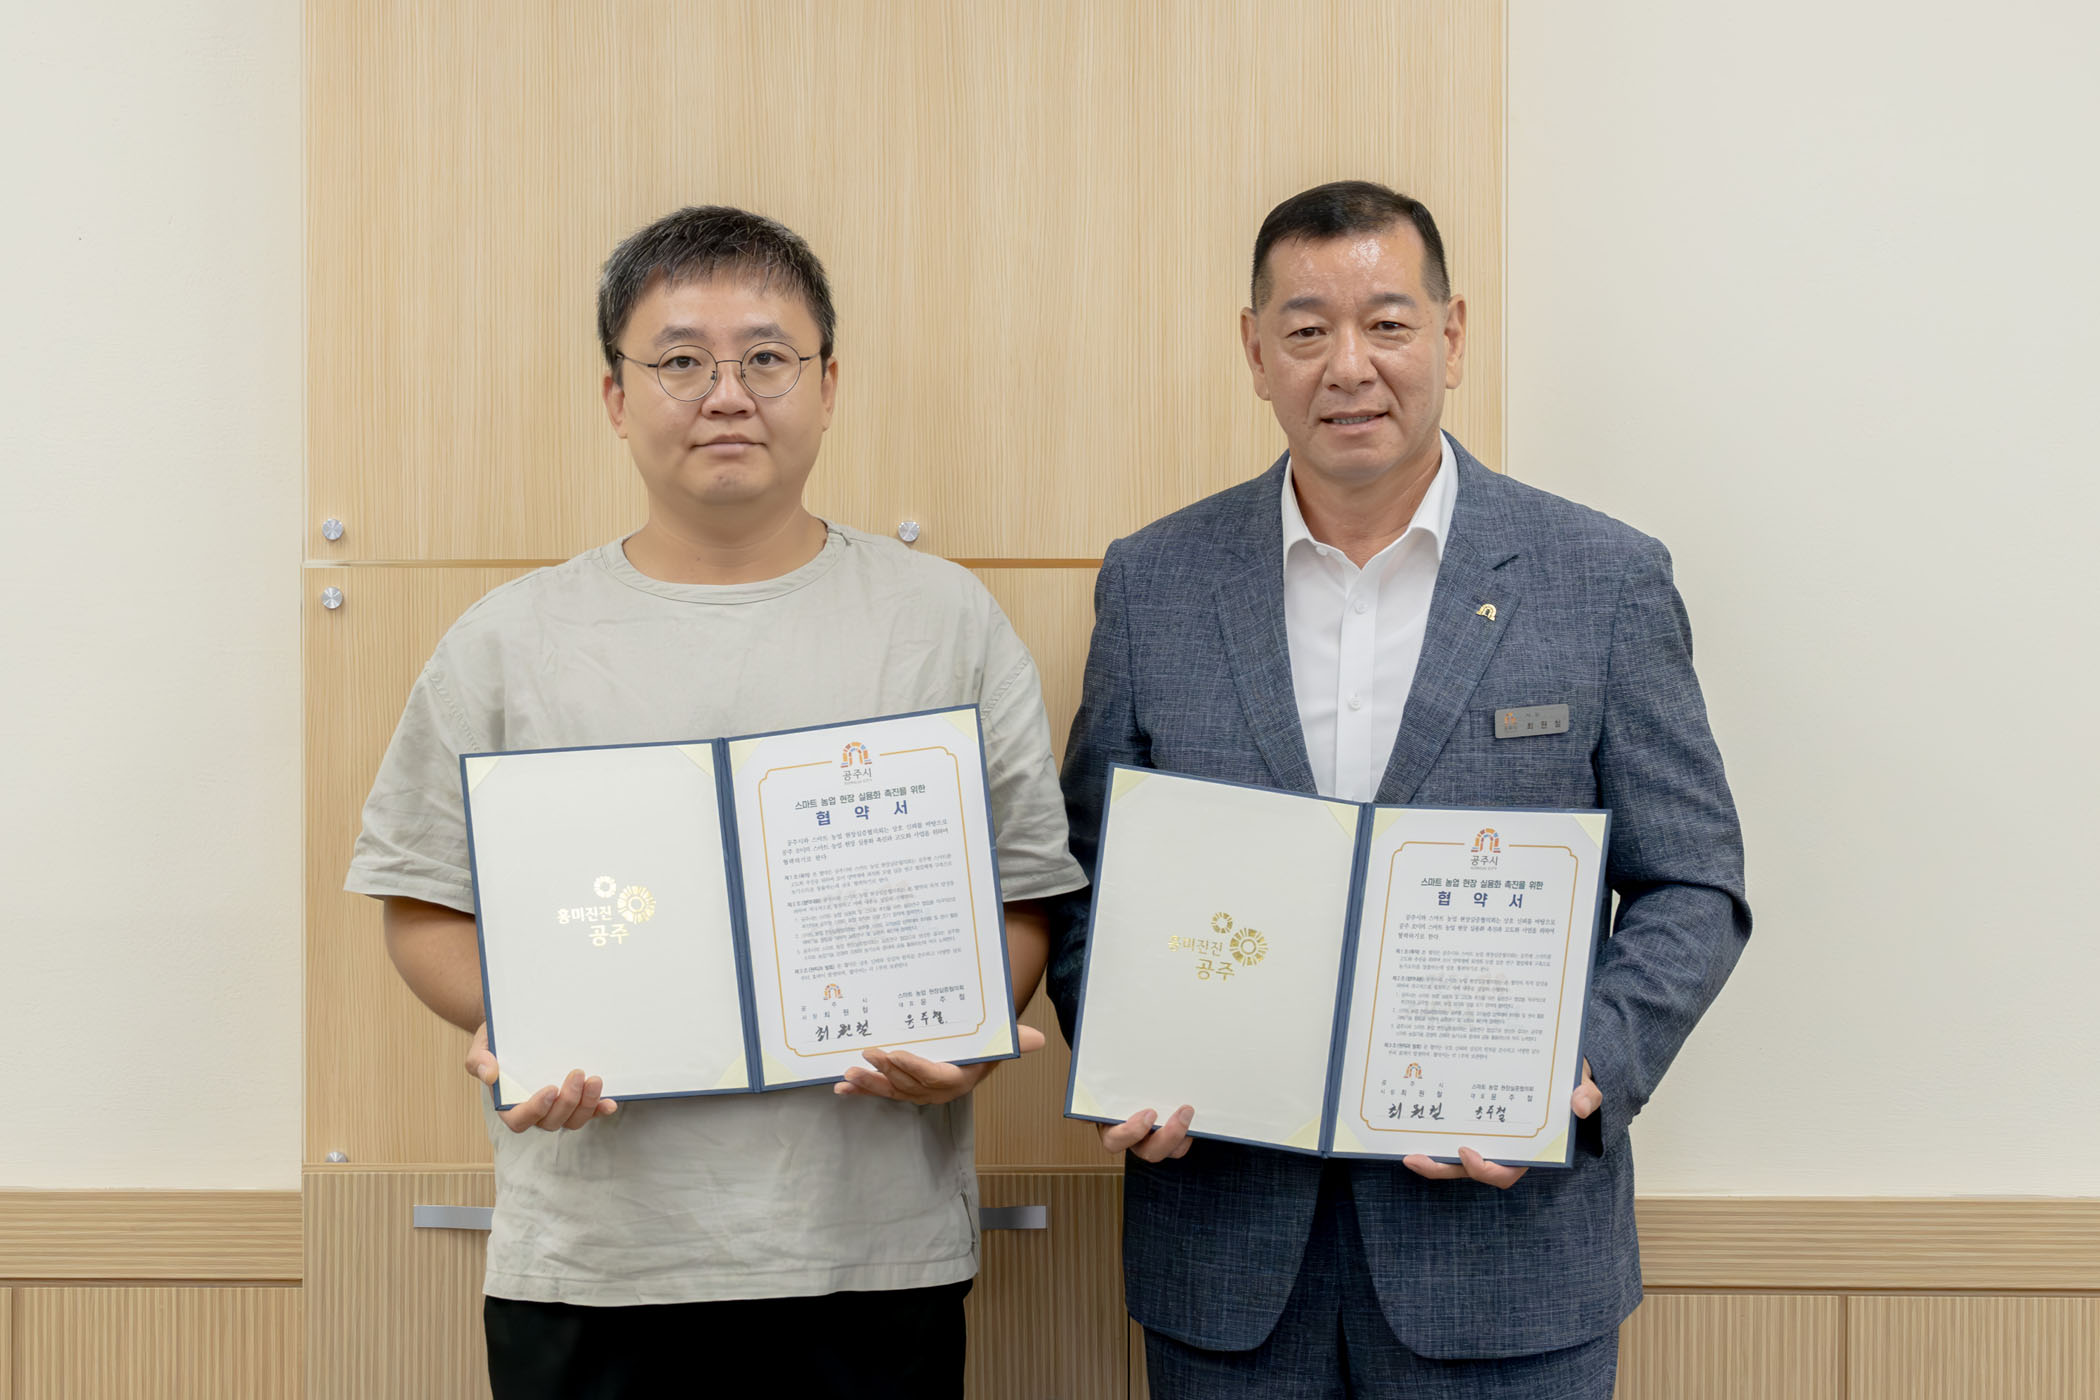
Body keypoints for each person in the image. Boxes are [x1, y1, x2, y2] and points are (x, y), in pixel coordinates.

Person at [346, 204, 1084, 1400]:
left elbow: (1025, 892)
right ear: (615, 395)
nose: (726, 394)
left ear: (828, 385)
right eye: (681, 360)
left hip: (870, 1251)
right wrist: (531, 1018)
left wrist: (967, 1035)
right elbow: (422, 904)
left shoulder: (942, 619)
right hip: (595, 1259)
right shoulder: (508, 642)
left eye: (767, 357)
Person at [1047, 180, 1751, 1398]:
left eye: (1387, 323)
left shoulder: (1603, 579)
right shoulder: (1156, 581)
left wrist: (1580, 1069)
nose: (1349, 366)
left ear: (1452, 335)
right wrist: (1119, 1047)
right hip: (1226, 1252)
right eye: (1307, 329)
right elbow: (1084, 871)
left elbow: (1693, 882)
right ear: (1254, 351)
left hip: (1506, 1260)